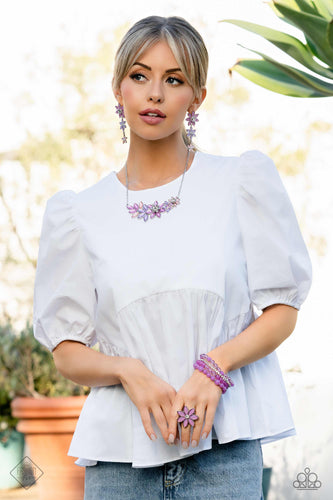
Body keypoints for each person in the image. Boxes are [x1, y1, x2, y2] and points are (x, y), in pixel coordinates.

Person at [32, 15, 312, 500]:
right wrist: (128, 370)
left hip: (224, 457)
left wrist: (215, 368)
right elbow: (67, 349)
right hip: (121, 463)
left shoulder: (240, 184)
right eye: (139, 76)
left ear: (197, 96)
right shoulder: (79, 214)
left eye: (174, 79)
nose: (154, 94)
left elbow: (282, 311)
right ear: (118, 90)